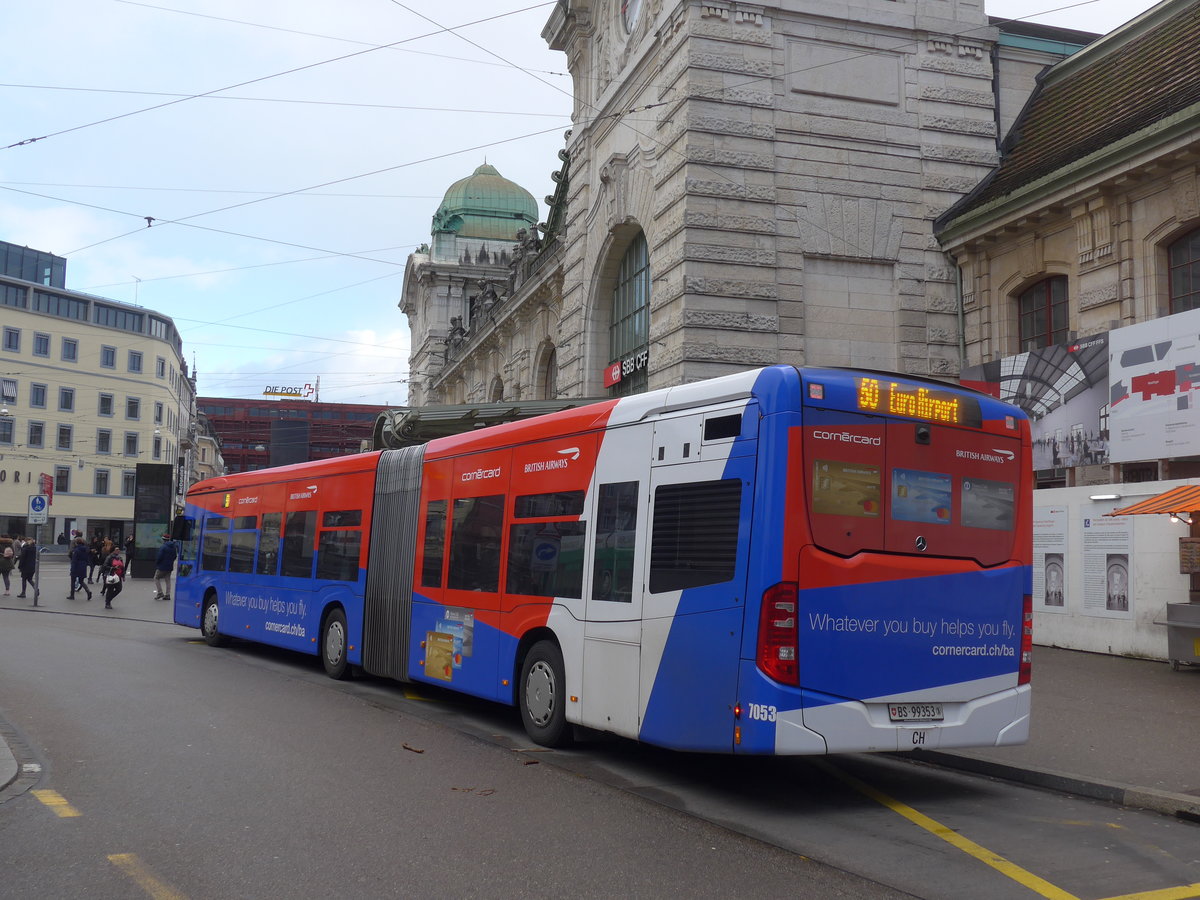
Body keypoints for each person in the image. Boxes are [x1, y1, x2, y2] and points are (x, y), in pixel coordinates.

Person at [153, 534, 178, 602]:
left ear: (163, 540)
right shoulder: (173, 547)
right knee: (167, 580)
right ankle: (167, 595)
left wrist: (157, 563)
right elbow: (175, 556)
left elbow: (159, 557)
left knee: (156, 578)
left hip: (162, 566)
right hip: (169, 566)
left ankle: (160, 592)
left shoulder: (163, 547)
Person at [68, 536, 93, 601]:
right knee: (81, 581)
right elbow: (87, 559)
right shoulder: (86, 550)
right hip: (83, 566)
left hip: (76, 567)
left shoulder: (76, 550)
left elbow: (74, 560)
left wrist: (72, 569)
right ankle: (88, 591)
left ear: (76, 543)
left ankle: (72, 595)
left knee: (73, 581)